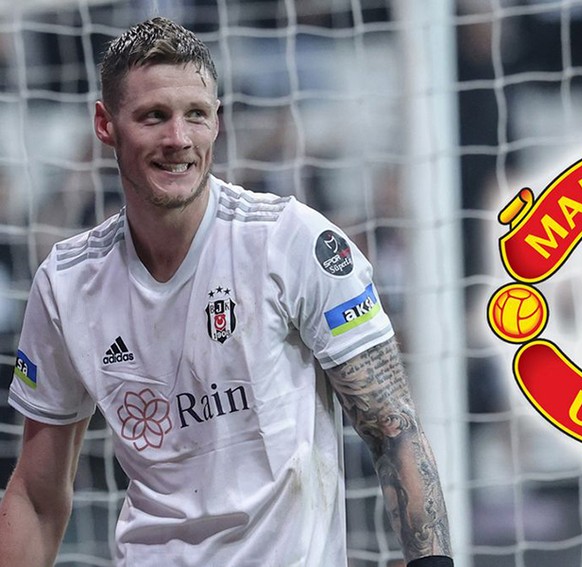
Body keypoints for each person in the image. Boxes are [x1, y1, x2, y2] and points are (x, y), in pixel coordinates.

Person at [0, 17, 453, 567]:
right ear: (105, 124)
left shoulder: (291, 241)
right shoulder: (66, 282)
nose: (178, 139)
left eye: (196, 114)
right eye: (153, 116)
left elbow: (393, 429)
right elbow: (37, 496)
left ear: (217, 121)